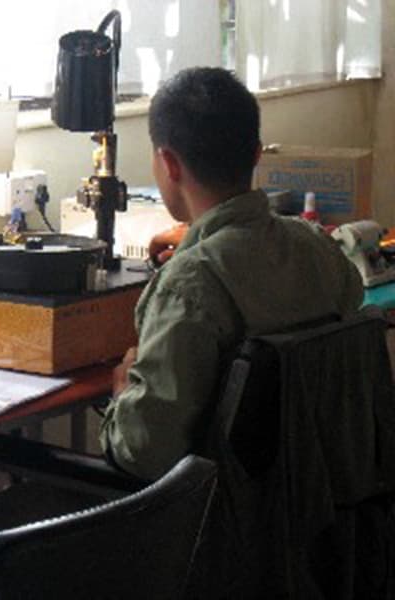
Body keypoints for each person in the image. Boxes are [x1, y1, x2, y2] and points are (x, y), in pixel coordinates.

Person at [99, 67, 363, 480]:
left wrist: (124, 396)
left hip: (219, 527)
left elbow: (146, 451)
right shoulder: (318, 247)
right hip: (325, 512)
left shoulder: (190, 284)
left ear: (168, 163)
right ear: (257, 153)